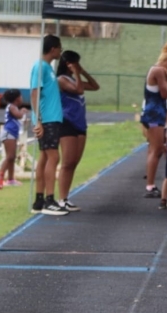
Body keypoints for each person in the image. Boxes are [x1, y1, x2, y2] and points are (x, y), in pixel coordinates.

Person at [30, 34, 68, 216]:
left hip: (52, 118)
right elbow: (34, 94)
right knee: (54, 157)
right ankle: (49, 200)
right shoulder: (40, 67)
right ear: (53, 48)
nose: (61, 50)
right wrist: (38, 120)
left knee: (45, 158)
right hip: (47, 119)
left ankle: (39, 200)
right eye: (59, 47)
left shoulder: (48, 68)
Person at [56, 50, 99, 212]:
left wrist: (82, 72)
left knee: (74, 162)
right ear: (69, 64)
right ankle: (61, 199)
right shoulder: (61, 80)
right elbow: (79, 90)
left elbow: (95, 86)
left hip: (80, 123)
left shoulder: (75, 79)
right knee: (67, 162)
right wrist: (76, 74)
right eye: (76, 63)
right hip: (67, 122)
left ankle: (66, 198)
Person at [141, 42, 167, 199]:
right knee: (156, 150)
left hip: (156, 113)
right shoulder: (158, 70)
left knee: (157, 149)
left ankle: (159, 182)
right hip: (153, 114)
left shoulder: (156, 70)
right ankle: (150, 186)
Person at [0, 89, 26, 190]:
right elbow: (18, 115)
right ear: (17, 99)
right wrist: (22, 111)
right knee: (10, 157)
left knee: (12, 157)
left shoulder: (14, 106)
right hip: (8, 133)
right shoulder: (12, 107)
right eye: (21, 96)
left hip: (12, 134)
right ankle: (0, 177)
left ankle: (10, 179)